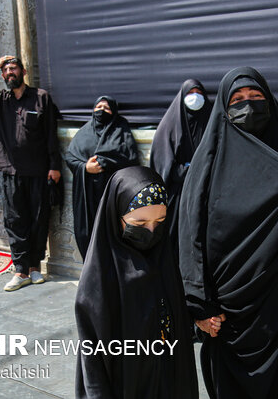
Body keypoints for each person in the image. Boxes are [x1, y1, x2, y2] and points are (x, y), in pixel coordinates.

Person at [179, 66, 278, 399]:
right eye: (237, 99)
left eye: (256, 97)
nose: (248, 105)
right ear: (223, 107)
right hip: (231, 312)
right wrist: (200, 306)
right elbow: (190, 236)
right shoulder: (208, 164)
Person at [75, 166, 198, 399]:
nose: (152, 231)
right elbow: (93, 363)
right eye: (139, 224)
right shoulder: (100, 278)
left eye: (160, 221)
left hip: (169, 379)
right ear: (115, 217)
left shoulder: (164, 262)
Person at [0, 55, 61, 291]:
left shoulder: (40, 97)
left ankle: (35, 268)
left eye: (12, 69)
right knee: (15, 221)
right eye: (5, 70)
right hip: (10, 170)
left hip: (38, 170)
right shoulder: (0, 98)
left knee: (38, 218)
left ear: (23, 72)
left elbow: (50, 135)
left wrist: (54, 166)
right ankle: (20, 270)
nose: (9, 73)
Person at [65, 96, 139, 258]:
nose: (101, 110)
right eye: (98, 107)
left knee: (114, 235)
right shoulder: (85, 131)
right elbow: (70, 158)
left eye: (106, 108)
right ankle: (93, 273)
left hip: (113, 193)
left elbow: (130, 158)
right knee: (89, 235)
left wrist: (105, 162)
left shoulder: (121, 129)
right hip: (88, 195)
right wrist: (85, 167)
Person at [150, 79, 212, 258]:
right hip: (176, 195)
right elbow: (164, 164)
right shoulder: (169, 126)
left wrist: (196, 169)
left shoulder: (211, 124)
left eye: (199, 93)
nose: (195, 97)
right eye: (190, 93)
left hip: (205, 192)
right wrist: (192, 171)